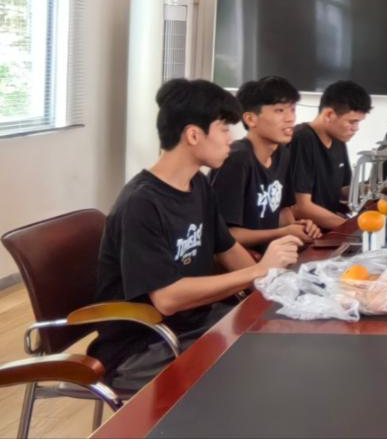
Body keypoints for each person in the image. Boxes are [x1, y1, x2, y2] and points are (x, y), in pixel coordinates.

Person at [89, 79, 300, 391]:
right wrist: (259, 271)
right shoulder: (141, 203)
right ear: (193, 135)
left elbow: (228, 250)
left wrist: (282, 285)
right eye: (224, 129)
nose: (230, 139)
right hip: (145, 346)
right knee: (264, 372)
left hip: (196, 324)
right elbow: (168, 299)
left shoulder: (198, 184)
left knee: (285, 338)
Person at [208, 76, 320, 252]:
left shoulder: (283, 154)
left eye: (292, 110)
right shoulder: (236, 160)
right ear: (250, 119)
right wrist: (282, 232)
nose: (290, 118)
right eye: (280, 110)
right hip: (244, 263)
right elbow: (225, 236)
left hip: (274, 257)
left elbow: (282, 211)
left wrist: (298, 230)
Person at [288, 80, 372, 231]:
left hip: (330, 229)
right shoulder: (302, 139)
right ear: (329, 115)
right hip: (309, 233)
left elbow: (342, 190)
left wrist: (375, 191)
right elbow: (301, 207)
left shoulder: (338, 141)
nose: (356, 128)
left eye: (358, 122)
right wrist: (352, 228)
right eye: (352, 122)